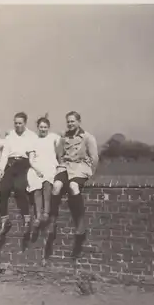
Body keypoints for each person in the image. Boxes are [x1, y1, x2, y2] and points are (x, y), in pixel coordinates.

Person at [47, 111, 99, 259]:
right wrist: (61, 163)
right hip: (66, 166)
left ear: (79, 122)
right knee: (56, 186)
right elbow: (59, 154)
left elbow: (94, 157)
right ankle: (53, 221)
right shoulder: (64, 138)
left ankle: (81, 223)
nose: (70, 124)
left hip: (81, 167)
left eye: (73, 121)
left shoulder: (88, 137)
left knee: (73, 187)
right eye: (68, 122)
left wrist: (91, 175)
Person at [0, 112, 38, 235]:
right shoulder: (10, 137)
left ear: (25, 123)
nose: (18, 125)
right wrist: (0, 169)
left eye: (20, 123)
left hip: (25, 164)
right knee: (3, 189)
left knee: (20, 188)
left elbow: (34, 154)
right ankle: (5, 220)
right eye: (16, 123)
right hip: (11, 164)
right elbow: (4, 155)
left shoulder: (32, 136)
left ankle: (27, 220)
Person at [26, 115, 60, 229]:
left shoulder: (53, 137)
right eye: (41, 127)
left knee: (47, 183)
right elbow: (31, 160)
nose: (43, 129)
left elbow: (61, 146)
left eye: (45, 127)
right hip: (36, 167)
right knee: (36, 186)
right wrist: (37, 170)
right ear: (37, 127)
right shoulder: (33, 141)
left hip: (50, 165)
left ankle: (46, 212)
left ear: (48, 128)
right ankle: (38, 216)